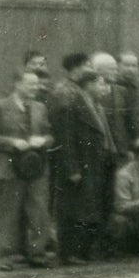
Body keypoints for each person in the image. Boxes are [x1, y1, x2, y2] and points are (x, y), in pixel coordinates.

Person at [0, 68, 56, 270]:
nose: (35, 88)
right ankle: (8, 256)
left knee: (39, 209)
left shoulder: (40, 108)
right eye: (30, 84)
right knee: (10, 211)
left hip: (36, 166)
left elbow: (50, 135)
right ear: (17, 84)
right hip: (10, 167)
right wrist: (12, 143)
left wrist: (43, 140)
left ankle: (37, 253)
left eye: (36, 84)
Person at [49, 59, 118, 263]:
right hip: (82, 164)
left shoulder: (97, 107)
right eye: (101, 83)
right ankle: (70, 252)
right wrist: (72, 168)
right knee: (75, 209)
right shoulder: (72, 105)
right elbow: (66, 140)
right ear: (88, 85)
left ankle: (86, 249)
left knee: (93, 208)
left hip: (99, 163)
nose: (105, 88)